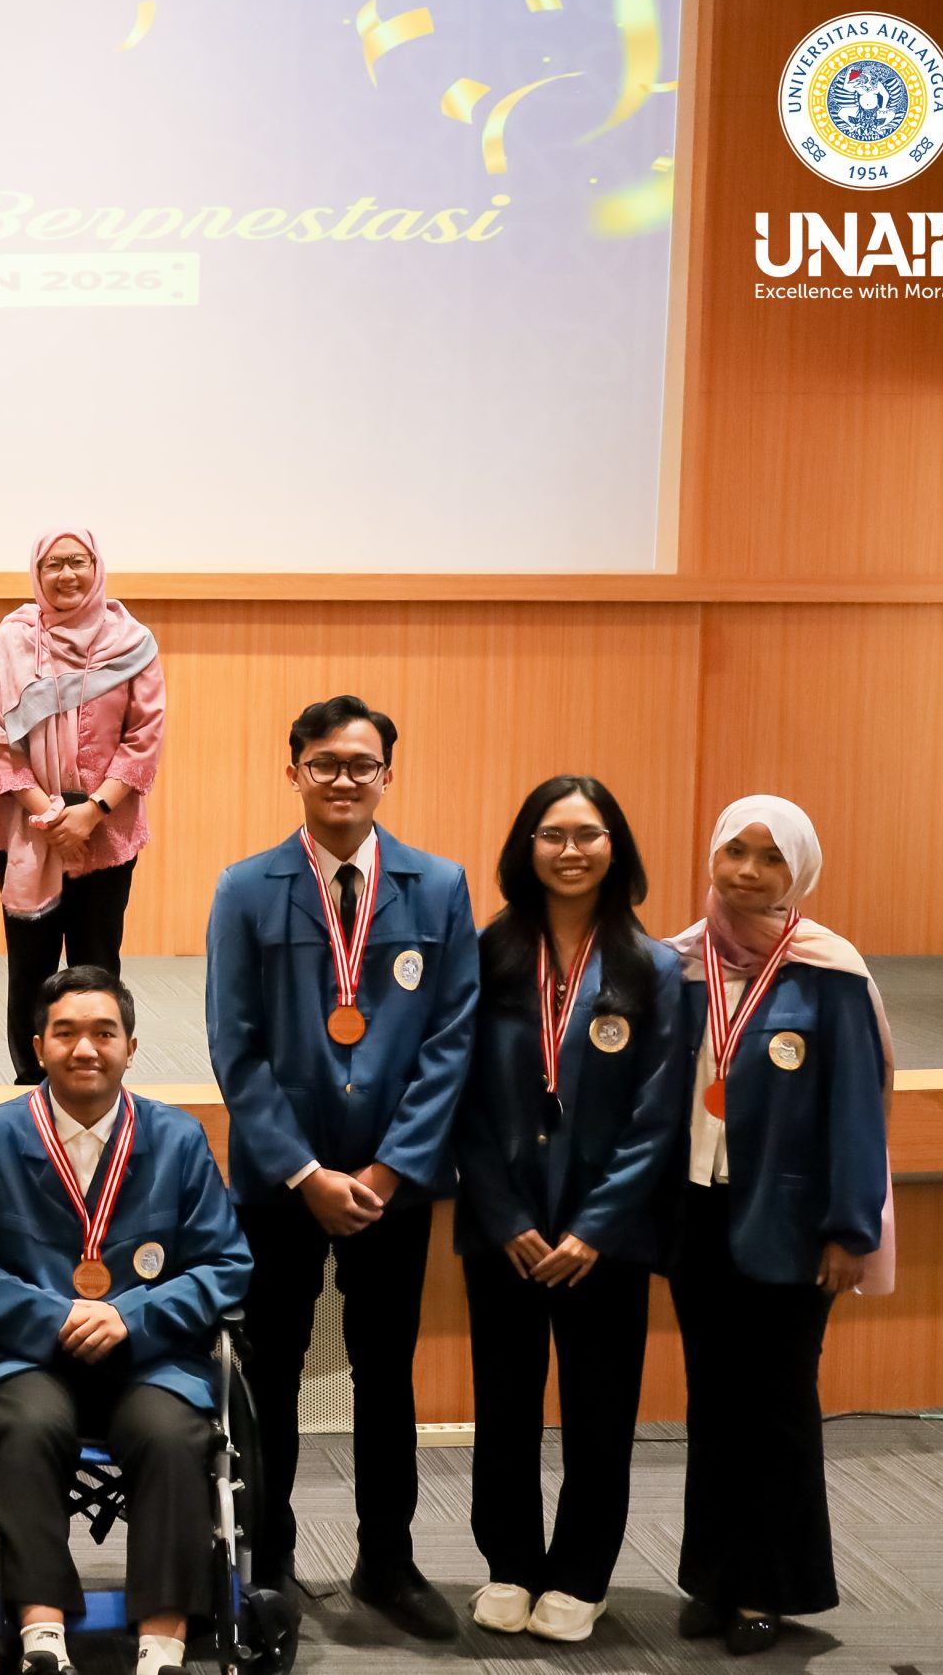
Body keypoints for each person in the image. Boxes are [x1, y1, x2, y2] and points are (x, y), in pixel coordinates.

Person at [201, 694, 477, 1640]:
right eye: (325, 763)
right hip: (281, 1184)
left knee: (384, 1370)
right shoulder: (246, 887)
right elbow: (234, 1047)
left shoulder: (438, 887)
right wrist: (305, 1172)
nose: (345, 778)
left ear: (387, 775)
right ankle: (266, 1556)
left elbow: (451, 1040)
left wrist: (394, 1169)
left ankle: (388, 1561)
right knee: (268, 1371)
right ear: (295, 774)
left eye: (362, 763)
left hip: (393, 1186)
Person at [0, 966, 253, 1675]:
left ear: (132, 1045)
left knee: (172, 1433)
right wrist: (53, 1312)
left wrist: (131, 1314)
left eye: (104, 1032)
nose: (85, 1048)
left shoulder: (179, 1140)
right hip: (27, 1356)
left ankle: (161, 1643)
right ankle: (42, 1635)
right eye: (65, 1032)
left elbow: (226, 1263)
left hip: (151, 1354)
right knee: (28, 1425)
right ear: (38, 1044)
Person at [452, 779, 689, 1644]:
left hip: (605, 1239)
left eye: (589, 834)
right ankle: (510, 1561)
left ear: (616, 847)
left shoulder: (656, 968)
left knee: (599, 1409)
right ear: (527, 847)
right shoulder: (485, 954)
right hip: (504, 1230)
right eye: (552, 834)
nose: (572, 849)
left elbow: (660, 1116)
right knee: (504, 1403)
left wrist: (595, 1227)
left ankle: (582, 1574)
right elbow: (462, 1098)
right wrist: (506, 1211)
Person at [667, 796, 892, 1659]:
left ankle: (769, 1583)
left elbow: (855, 1112)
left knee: (780, 1404)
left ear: (798, 869)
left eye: (771, 856)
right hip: (699, 1213)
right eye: (735, 850)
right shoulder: (680, 963)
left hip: (795, 1222)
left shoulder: (831, 969)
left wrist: (847, 1229)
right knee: (711, 1399)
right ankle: (711, 1576)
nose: (749, 871)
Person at [0, 526, 165, 1084]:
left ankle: (97, 1081)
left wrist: (93, 811)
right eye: (53, 564)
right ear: (37, 572)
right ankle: (31, 1083)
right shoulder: (11, 640)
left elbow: (144, 736)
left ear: (96, 566)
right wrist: (47, 813)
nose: (66, 575)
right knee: (29, 964)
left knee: (96, 962)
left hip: (108, 829)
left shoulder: (133, 641)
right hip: (25, 830)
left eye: (77, 562)